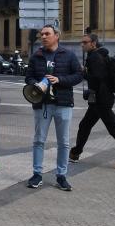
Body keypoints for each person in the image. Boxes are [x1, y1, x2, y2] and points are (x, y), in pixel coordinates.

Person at [69, 34, 115, 172]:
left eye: (85, 42)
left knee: (114, 129)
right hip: (99, 99)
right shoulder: (99, 54)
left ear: (93, 43)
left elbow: (98, 78)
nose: (82, 44)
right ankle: (75, 153)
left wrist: (83, 73)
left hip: (101, 99)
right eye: (81, 42)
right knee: (85, 125)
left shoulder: (95, 57)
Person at [24, 24, 82, 192]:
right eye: (42, 34)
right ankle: (37, 174)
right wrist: (36, 85)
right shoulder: (36, 56)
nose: (43, 37)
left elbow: (78, 75)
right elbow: (28, 77)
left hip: (63, 104)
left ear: (57, 36)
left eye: (47, 34)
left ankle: (61, 176)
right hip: (42, 104)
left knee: (63, 142)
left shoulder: (68, 55)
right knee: (39, 140)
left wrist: (60, 80)